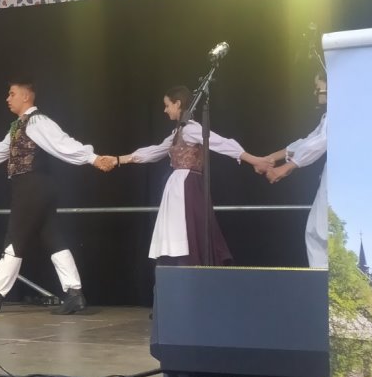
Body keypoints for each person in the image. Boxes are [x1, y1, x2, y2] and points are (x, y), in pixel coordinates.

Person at [0, 81, 116, 315]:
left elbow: (62, 143)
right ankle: (75, 294)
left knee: (15, 237)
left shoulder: (37, 121)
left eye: (12, 94)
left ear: (26, 96)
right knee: (54, 239)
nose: (7, 98)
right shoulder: (18, 126)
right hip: (36, 187)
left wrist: (92, 158)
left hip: (32, 186)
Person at [115, 86, 271, 266]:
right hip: (178, 185)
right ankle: (181, 267)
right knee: (180, 229)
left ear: (177, 104)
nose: (165, 110)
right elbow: (155, 151)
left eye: (167, 105)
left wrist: (254, 160)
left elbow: (220, 143)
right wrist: (118, 160)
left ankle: (192, 267)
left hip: (188, 185)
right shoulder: (178, 132)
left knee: (189, 229)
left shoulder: (190, 129)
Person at [256, 73, 328, 268]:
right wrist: (271, 158)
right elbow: (308, 141)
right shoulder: (327, 117)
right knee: (316, 232)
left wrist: (287, 167)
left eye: (318, 87)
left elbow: (320, 143)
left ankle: (324, 283)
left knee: (319, 233)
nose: (314, 92)